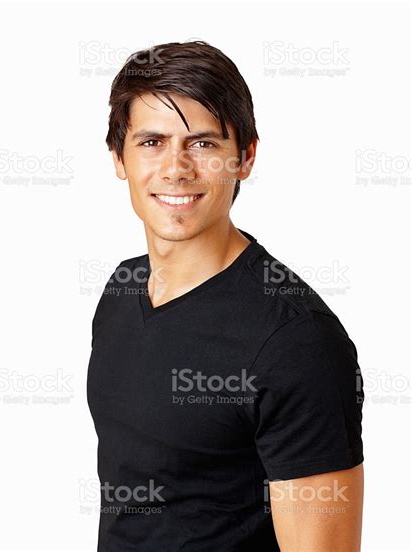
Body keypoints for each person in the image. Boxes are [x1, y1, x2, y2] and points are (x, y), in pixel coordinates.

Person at [87, 40, 364, 551]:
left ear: (246, 157)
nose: (175, 168)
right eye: (152, 142)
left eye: (204, 144)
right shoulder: (122, 290)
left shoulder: (297, 341)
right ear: (118, 157)